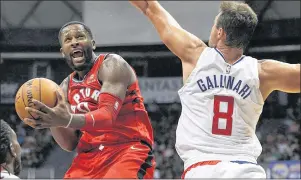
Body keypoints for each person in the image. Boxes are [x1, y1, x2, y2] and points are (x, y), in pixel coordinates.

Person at [130, 1, 300, 178]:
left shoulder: (194, 54)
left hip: (202, 169)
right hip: (246, 170)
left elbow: (150, 7)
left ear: (220, 32)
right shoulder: (263, 72)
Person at [23, 21, 155, 179]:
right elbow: (69, 144)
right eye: (68, 40)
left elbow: (107, 116)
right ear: (62, 51)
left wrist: (67, 119)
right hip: (89, 157)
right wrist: (54, 122)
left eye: (80, 37)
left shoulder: (112, 65)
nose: (74, 42)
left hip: (127, 149)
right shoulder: (64, 87)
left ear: (92, 44)